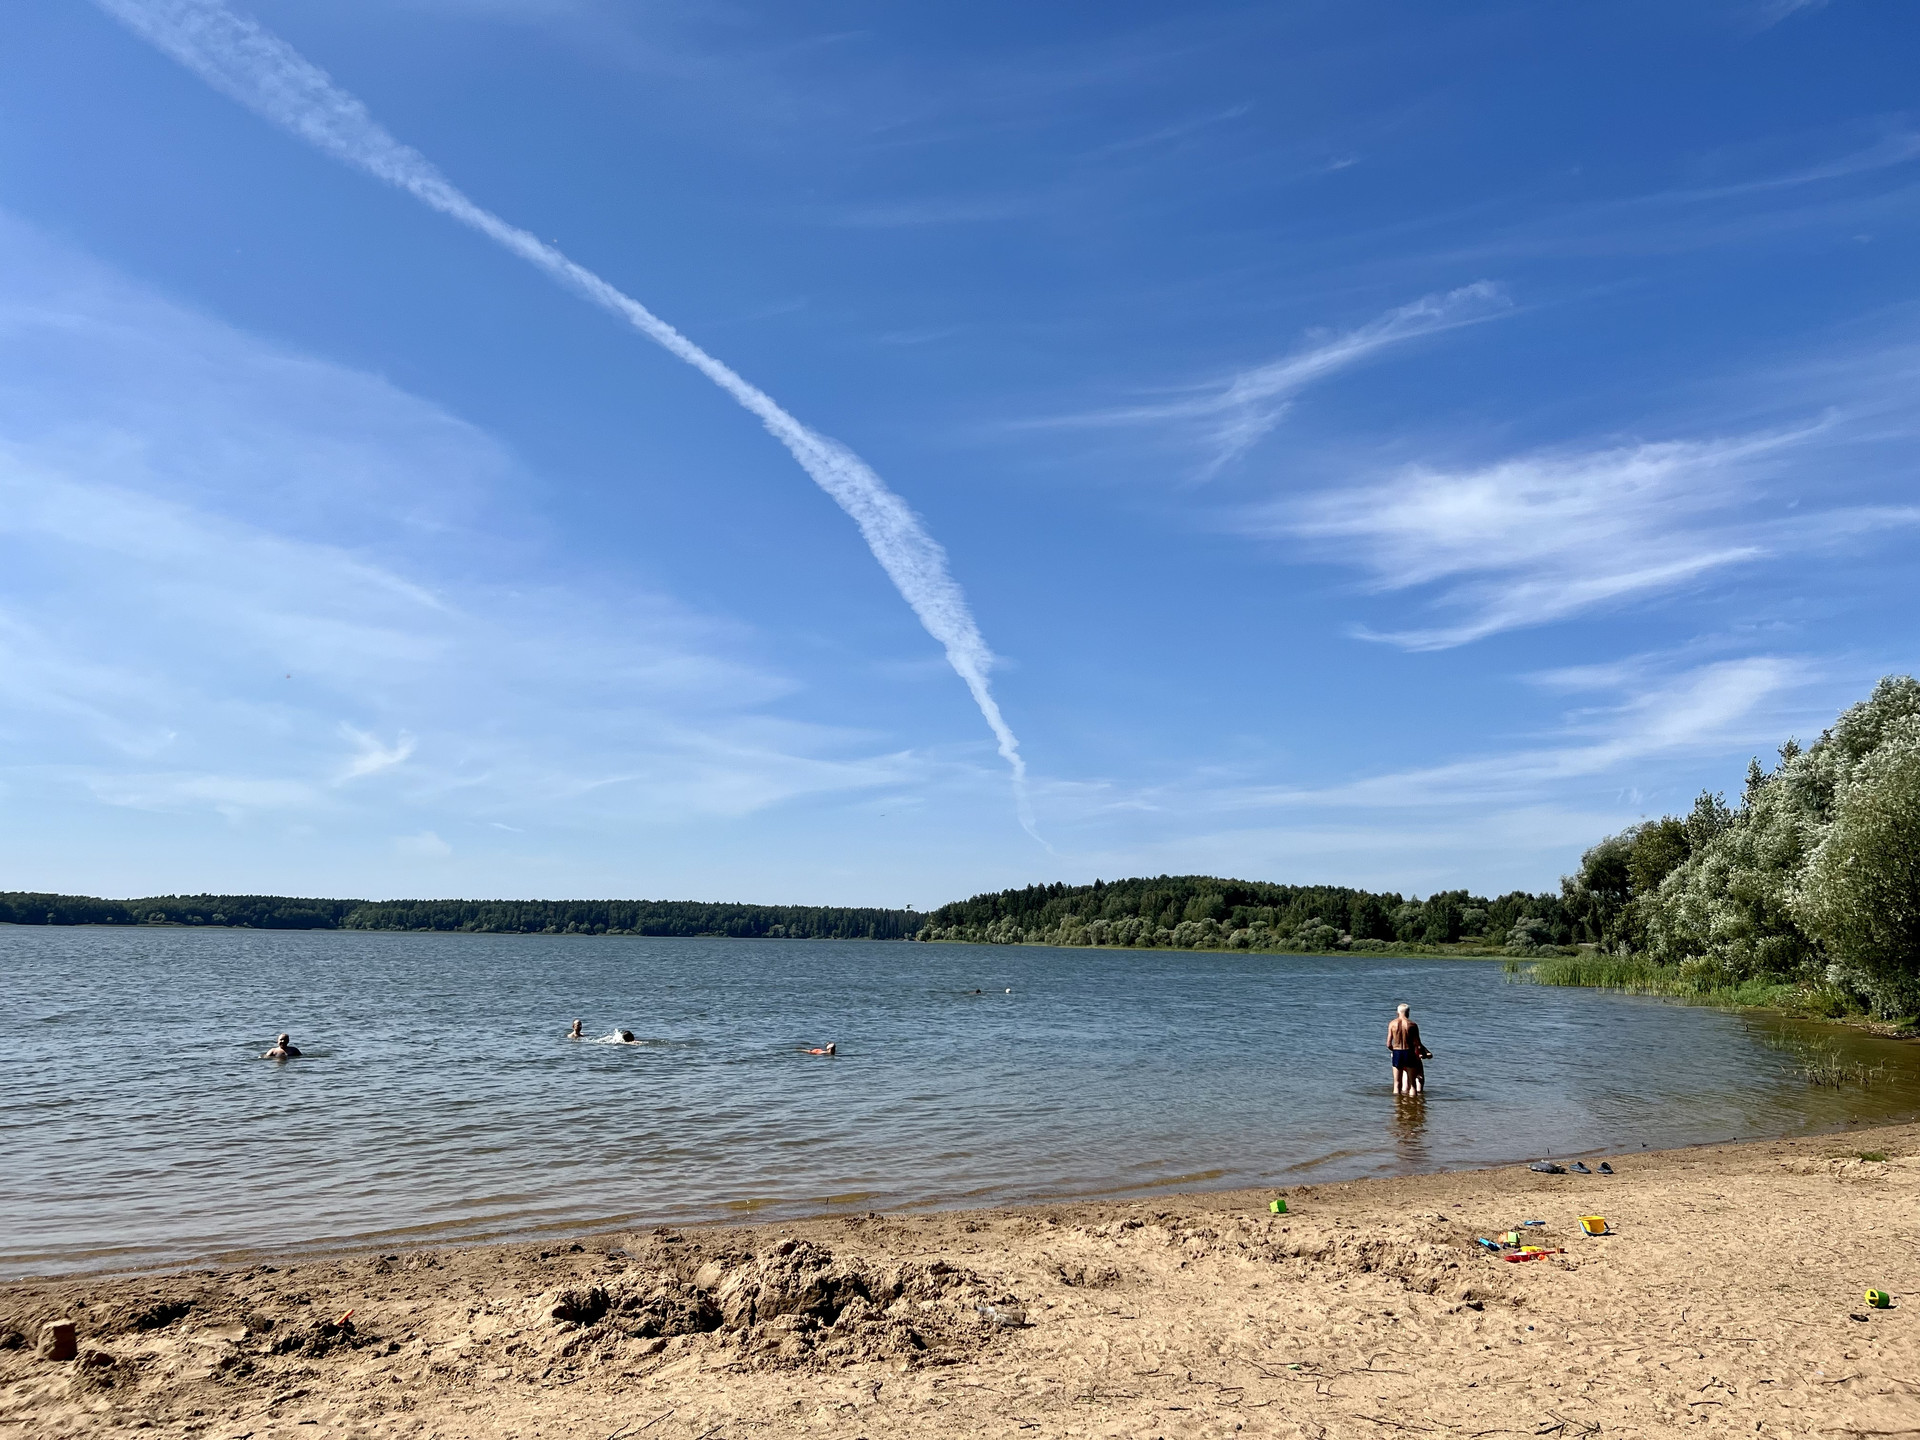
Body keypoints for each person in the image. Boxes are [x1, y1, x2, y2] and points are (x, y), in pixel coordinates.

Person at [1386, 1004, 1432, 1096]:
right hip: (1409, 1052)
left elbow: (1388, 1044)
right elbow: (1418, 1044)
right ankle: (1412, 1105)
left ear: (1397, 1012)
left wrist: (1394, 1050)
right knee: (1413, 1084)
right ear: (1408, 1013)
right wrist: (1423, 1053)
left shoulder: (1392, 1024)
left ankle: (1397, 1107)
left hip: (1397, 1052)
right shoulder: (1413, 1025)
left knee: (1397, 1084)